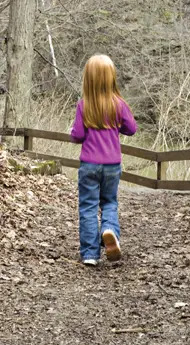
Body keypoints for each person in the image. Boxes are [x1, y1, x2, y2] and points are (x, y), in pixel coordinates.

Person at [70, 54, 137, 266]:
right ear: (111, 78)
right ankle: (109, 230)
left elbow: (78, 135)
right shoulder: (118, 104)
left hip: (89, 165)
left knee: (88, 206)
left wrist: (72, 131)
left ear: (88, 79)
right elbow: (132, 129)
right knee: (109, 202)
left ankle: (90, 254)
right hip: (112, 165)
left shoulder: (84, 105)